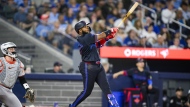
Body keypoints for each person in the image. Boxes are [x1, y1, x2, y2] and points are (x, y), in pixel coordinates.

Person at [69, 20, 119, 107]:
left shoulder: (88, 39)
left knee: (107, 90)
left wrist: (108, 37)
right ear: (80, 30)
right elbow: (100, 36)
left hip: (98, 66)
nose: (87, 27)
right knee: (87, 92)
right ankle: (72, 105)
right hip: (88, 67)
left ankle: (115, 105)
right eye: (85, 26)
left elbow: (98, 44)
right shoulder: (83, 37)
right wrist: (110, 31)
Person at [0, 42, 35, 107]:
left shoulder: (19, 63)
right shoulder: (1, 61)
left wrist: (28, 89)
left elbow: (22, 79)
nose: (13, 50)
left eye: (14, 49)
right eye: (11, 49)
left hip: (8, 90)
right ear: (5, 50)